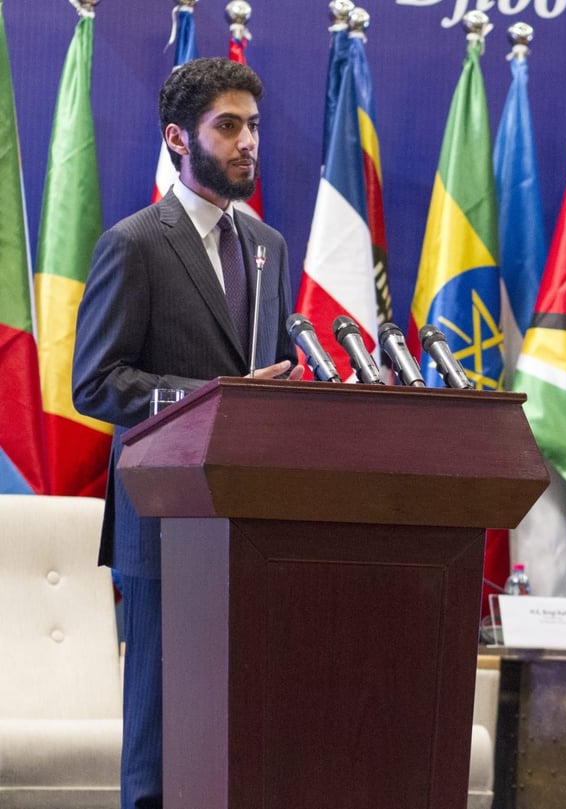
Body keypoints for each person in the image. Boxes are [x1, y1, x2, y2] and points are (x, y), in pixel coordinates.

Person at [72, 57, 303, 809]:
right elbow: (97, 382)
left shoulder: (267, 244)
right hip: (166, 522)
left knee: (243, 737)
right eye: (228, 126)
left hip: (253, 521)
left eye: (254, 126)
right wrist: (214, 397)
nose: (247, 143)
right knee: (160, 744)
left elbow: (268, 376)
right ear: (178, 137)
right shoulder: (134, 243)